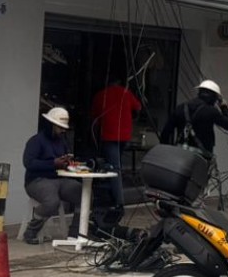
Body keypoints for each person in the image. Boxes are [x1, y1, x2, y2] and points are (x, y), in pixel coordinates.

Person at [22, 107, 82, 245]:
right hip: (37, 180)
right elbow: (28, 163)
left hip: (59, 179)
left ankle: (75, 231)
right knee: (52, 201)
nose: (63, 130)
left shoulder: (61, 141)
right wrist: (53, 163)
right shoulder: (36, 141)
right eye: (60, 127)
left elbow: (63, 160)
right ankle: (31, 230)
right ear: (51, 125)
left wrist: (67, 163)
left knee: (83, 193)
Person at [91, 77, 142, 221]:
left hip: (108, 135)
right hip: (124, 136)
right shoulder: (125, 93)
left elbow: (94, 116)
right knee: (114, 166)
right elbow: (138, 107)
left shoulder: (101, 95)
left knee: (114, 169)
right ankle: (113, 197)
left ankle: (119, 202)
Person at [159, 79, 228, 156]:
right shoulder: (211, 111)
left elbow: (165, 133)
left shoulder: (181, 107)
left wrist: (167, 153)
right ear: (214, 97)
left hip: (180, 153)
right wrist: (223, 106)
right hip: (200, 157)